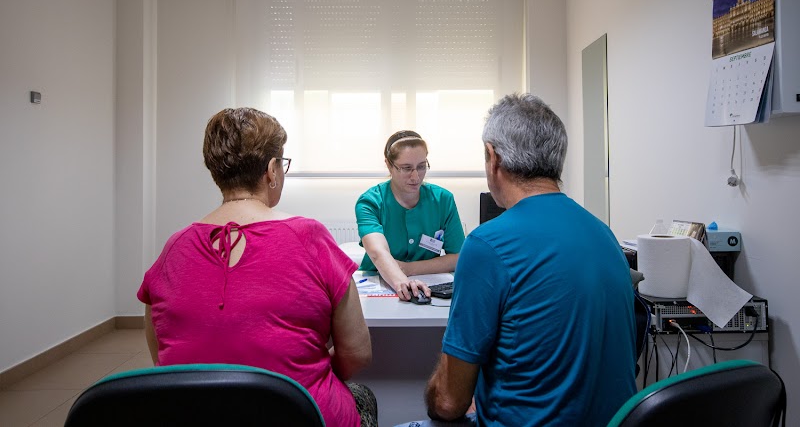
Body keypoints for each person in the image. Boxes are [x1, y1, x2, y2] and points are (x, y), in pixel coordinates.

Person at [137, 108, 376, 427]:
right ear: (272, 170)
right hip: (298, 414)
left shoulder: (174, 247)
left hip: (195, 414)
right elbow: (357, 352)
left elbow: (162, 359)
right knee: (363, 396)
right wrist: (296, 381)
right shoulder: (309, 236)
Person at [417, 94, 637, 426]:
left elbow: (449, 402)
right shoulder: (604, 234)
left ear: (493, 158)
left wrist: (441, 395)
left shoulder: (488, 244)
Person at [356, 131, 465, 301]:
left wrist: (409, 269)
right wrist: (402, 281)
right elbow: (378, 251)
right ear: (389, 165)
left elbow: (458, 257)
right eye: (406, 168)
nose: (416, 177)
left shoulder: (443, 200)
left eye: (421, 166)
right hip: (379, 285)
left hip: (427, 286)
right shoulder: (370, 202)